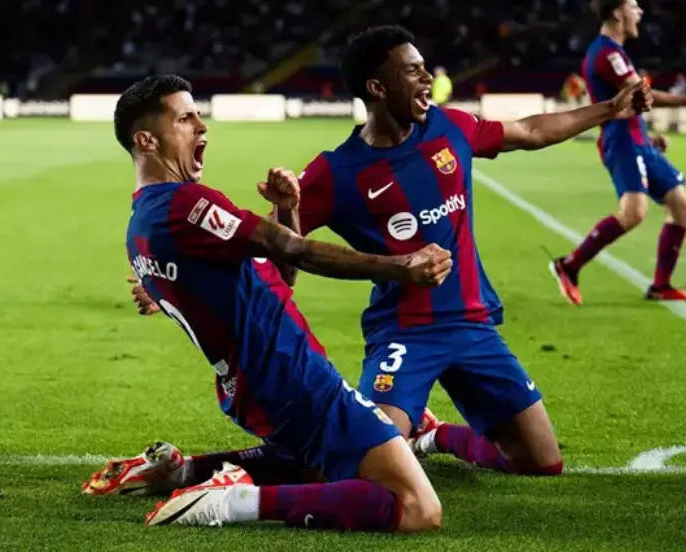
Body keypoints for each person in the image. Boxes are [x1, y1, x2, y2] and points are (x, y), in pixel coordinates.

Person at [124, 25, 650, 479]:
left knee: (541, 461)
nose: (427, 80)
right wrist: (179, 282)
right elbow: (270, 247)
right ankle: (383, 440)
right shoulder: (335, 171)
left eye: (425, 69)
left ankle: (436, 436)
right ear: (377, 87)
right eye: (414, 71)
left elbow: (531, 131)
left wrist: (609, 108)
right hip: (403, 333)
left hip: (472, 323)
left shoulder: (451, 129)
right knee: (365, 453)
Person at [109, 74, 456, 532]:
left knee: (320, 469)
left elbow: (277, 279)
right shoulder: (185, 206)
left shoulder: (141, 227)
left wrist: (289, 210)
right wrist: (401, 265)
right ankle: (230, 501)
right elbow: (294, 250)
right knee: (417, 507)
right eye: (186, 118)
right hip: (292, 376)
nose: (202, 126)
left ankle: (187, 472)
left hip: (254, 388)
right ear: (147, 139)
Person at [549, 0, 686, 306]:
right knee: (634, 212)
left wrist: (647, 137)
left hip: (636, 140)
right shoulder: (607, 52)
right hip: (621, 141)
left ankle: (661, 286)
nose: (640, 12)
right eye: (634, 6)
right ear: (616, 12)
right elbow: (641, 94)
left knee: (681, 207)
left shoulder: (613, 51)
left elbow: (629, 102)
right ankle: (569, 266)